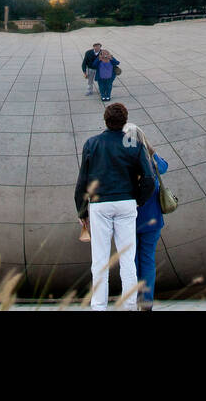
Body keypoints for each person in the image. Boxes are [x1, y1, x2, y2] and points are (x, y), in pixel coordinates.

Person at [74, 102, 155, 311]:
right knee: (128, 258)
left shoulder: (92, 144)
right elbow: (149, 178)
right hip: (126, 202)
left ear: (105, 120)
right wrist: (138, 199)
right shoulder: (133, 145)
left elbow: (83, 180)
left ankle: (99, 305)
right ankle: (129, 304)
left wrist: (82, 210)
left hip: (100, 204)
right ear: (124, 121)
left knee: (100, 259)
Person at [133, 129, 170, 310]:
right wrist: (152, 150)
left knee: (131, 260)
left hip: (130, 218)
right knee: (147, 259)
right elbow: (163, 167)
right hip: (152, 216)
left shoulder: (125, 159)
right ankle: (146, 300)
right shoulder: (149, 157)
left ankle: (134, 298)